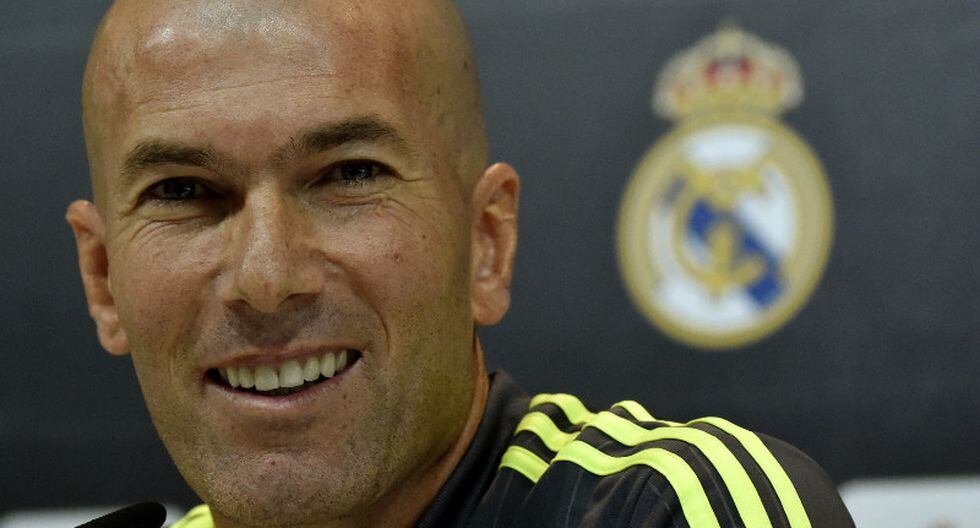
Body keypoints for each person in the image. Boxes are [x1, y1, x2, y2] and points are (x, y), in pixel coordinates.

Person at [67, 1, 854, 527]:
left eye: (349, 175)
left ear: (486, 243)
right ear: (102, 280)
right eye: (183, 191)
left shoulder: (677, 511)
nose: (266, 278)